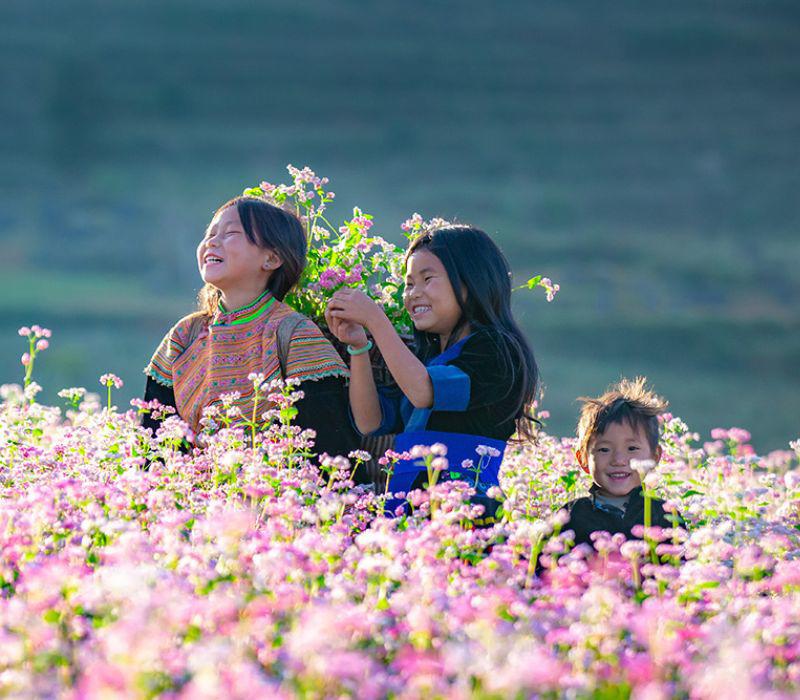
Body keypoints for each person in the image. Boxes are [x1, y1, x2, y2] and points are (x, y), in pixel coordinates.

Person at [325, 225, 539, 521]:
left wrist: (376, 319)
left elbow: (425, 392)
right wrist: (359, 347)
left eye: (427, 279)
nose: (414, 293)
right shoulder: (426, 361)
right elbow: (370, 422)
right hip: (405, 506)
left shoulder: (497, 349)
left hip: (464, 509)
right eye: (409, 284)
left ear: (470, 281)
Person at [143, 196, 360, 464]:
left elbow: (327, 447)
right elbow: (153, 447)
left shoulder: (295, 335)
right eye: (210, 234)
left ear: (271, 258)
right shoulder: (184, 336)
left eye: (231, 233)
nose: (212, 242)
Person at [558, 377, 678, 548]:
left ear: (654, 456)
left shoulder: (665, 516)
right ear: (583, 459)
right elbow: (541, 570)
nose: (619, 461)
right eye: (604, 450)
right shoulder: (571, 516)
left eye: (632, 449)